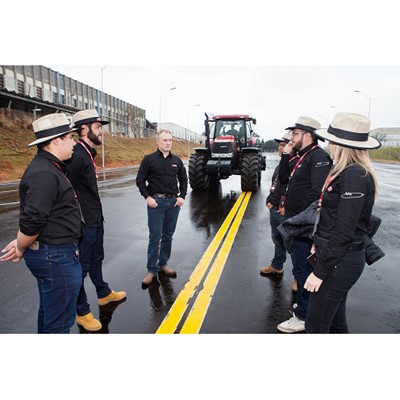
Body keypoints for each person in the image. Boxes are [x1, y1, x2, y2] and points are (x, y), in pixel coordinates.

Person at [0, 113, 82, 333]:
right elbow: (33, 220)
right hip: (55, 257)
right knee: (59, 323)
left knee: (50, 314)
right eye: (70, 137)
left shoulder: (49, 167)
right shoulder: (45, 173)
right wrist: (21, 245)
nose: (74, 142)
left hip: (54, 255)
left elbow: (37, 212)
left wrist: (22, 243)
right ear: (56, 140)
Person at [304, 112, 381, 333]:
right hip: (338, 257)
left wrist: (320, 271)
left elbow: (344, 232)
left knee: (315, 326)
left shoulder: (355, 176)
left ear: (342, 145)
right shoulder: (348, 172)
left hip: (340, 261)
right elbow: (333, 219)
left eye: (331, 141)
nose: (328, 145)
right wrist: (318, 242)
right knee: (336, 323)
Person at [66, 109, 126, 332]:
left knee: (96, 258)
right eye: (98, 127)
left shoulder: (87, 152)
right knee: (80, 269)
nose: (102, 132)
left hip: (95, 218)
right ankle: (81, 312)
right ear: (84, 130)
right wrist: (77, 223)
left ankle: (103, 293)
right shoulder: (77, 156)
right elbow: (65, 190)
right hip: (84, 223)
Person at [276, 116, 332, 333]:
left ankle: (303, 316)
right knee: (300, 268)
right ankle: (306, 305)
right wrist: (287, 154)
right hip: (294, 222)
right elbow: (282, 178)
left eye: (296, 133)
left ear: (307, 135)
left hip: (304, 226)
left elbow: (317, 194)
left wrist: (302, 221)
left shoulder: (318, 157)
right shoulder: (300, 156)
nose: (292, 137)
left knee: (303, 270)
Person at [136, 130, 188, 288]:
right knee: (155, 237)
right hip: (156, 204)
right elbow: (140, 180)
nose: (168, 143)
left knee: (168, 236)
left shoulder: (177, 161)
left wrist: (182, 197)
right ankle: (151, 270)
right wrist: (147, 197)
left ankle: (163, 263)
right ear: (157, 142)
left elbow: (184, 180)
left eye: (170, 140)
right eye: (165, 140)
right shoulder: (149, 159)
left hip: (172, 203)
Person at [260, 131, 295, 277]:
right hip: (274, 208)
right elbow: (276, 184)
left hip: (284, 211)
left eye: (283, 145)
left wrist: (284, 206)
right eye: (279, 145)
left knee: (293, 244)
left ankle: (298, 276)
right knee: (277, 238)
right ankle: (277, 265)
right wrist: (269, 200)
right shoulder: (282, 164)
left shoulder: (295, 165)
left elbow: (293, 189)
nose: (280, 148)